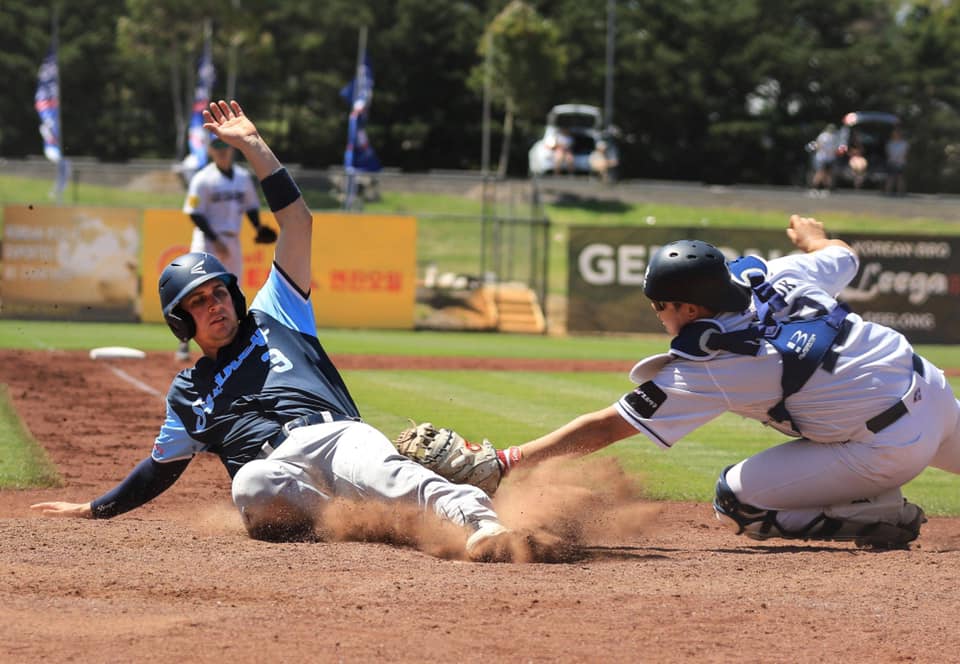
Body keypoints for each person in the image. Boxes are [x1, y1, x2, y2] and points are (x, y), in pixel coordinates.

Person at [31, 100, 511, 561]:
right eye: (198, 302)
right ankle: (364, 520)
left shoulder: (276, 311)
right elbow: (158, 470)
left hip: (336, 437)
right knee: (251, 486)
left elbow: (297, 222)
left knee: (389, 475)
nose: (214, 304)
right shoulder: (189, 392)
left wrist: (254, 146)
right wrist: (93, 509)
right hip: (278, 472)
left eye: (218, 292)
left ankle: (484, 527)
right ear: (182, 322)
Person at [482, 215, 960, 549]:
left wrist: (508, 461)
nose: (657, 314)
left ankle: (875, 514)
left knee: (736, 501)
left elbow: (609, 426)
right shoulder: (777, 275)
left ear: (689, 310)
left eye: (660, 305)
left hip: (886, 448)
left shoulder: (714, 363)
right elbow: (844, 256)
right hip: (934, 390)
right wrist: (814, 238)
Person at [176, 134, 274, 361]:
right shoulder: (203, 178)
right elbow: (194, 213)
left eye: (226, 147)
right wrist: (214, 239)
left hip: (232, 240)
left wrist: (258, 227)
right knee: (195, 291)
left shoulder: (242, 178)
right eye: (217, 147)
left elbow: (250, 207)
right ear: (210, 151)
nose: (222, 151)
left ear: (232, 150)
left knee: (232, 292)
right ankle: (184, 344)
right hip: (207, 240)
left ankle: (236, 347)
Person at [810, 124, 839, 193]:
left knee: (826, 173)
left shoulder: (833, 136)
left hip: (827, 157)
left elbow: (818, 145)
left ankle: (825, 188)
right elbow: (819, 145)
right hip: (823, 157)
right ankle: (816, 188)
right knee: (821, 173)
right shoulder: (824, 136)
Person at [885, 127, 909, 197]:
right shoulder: (890, 143)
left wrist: (899, 160)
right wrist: (893, 159)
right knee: (890, 177)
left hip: (901, 162)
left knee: (900, 178)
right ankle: (888, 192)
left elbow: (905, 153)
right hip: (891, 162)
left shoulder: (904, 143)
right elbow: (888, 153)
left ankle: (900, 193)